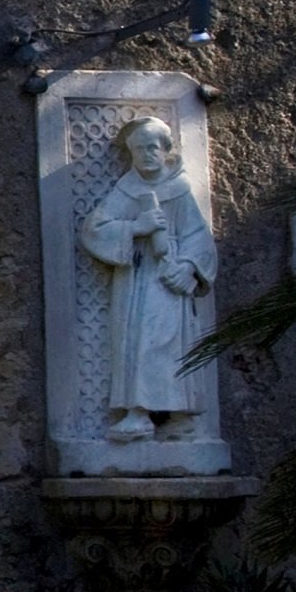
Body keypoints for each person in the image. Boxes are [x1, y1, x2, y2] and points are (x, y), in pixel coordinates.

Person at [76, 115, 214, 440]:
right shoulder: (128, 190)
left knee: (170, 343)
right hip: (137, 278)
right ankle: (138, 414)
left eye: (153, 147)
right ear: (131, 153)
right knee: (139, 342)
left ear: (166, 150)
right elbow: (93, 229)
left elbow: (199, 237)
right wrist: (136, 227)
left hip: (170, 279)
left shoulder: (180, 188)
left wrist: (189, 267)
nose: (147, 154)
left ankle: (180, 416)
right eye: (139, 149)